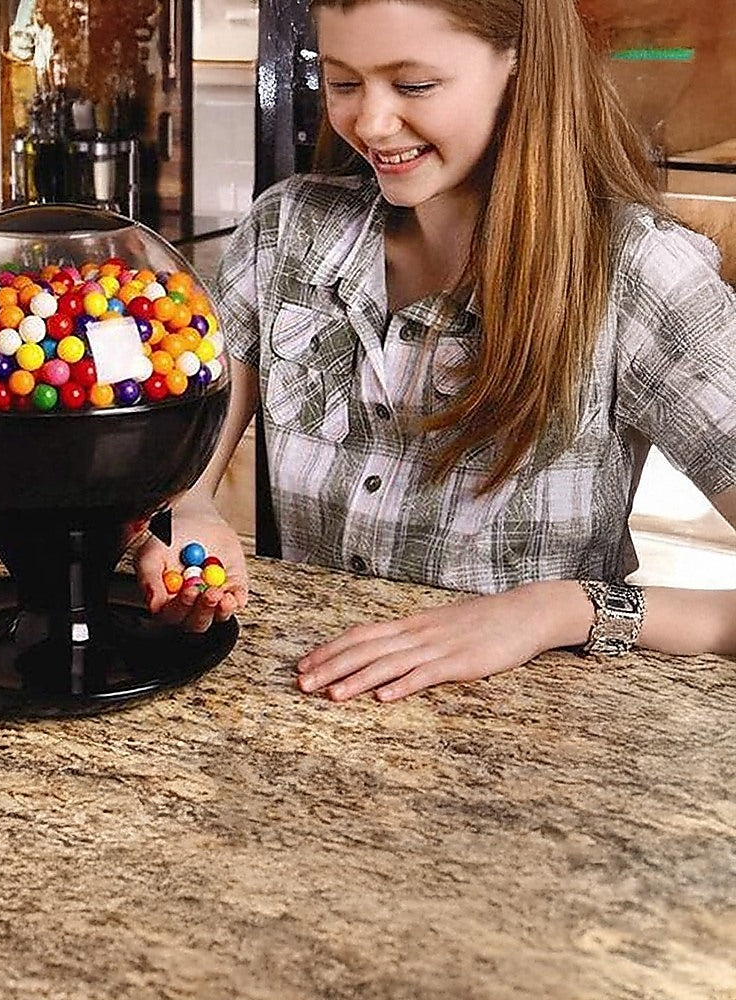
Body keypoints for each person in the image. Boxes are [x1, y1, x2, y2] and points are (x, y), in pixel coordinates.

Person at [133, 0, 736, 701]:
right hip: (301, 719)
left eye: (413, 85)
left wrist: (554, 610)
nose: (371, 123)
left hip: (532, 748)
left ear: (520, 65)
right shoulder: (284, 232)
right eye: (342, 82)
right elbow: (185, 484)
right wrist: (187, 523)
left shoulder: (638, 272)